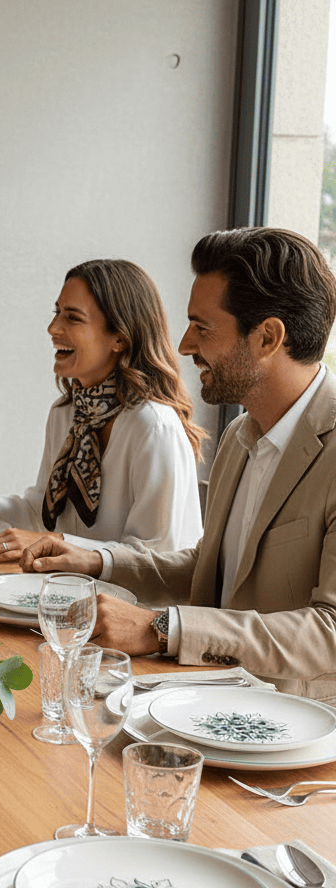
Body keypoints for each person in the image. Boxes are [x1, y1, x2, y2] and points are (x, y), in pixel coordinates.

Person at [21, 227, 336, 703]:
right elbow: (209, 568)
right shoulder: (240, 436)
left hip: (295, 735)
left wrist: (164, 627)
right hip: (205, 703)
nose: (184, 344)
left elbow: (329, 633)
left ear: (268, 337)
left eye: (202, 327)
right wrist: (99, 561)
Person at [0, 259, 204, 562]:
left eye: (73, 318)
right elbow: (42, 512)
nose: (53, 328)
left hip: (135, 606)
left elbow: (156, 559)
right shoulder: (66, 413)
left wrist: (53, 541)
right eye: (57, 313)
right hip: (68, 591)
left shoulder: (153, 426)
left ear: (119, 337)